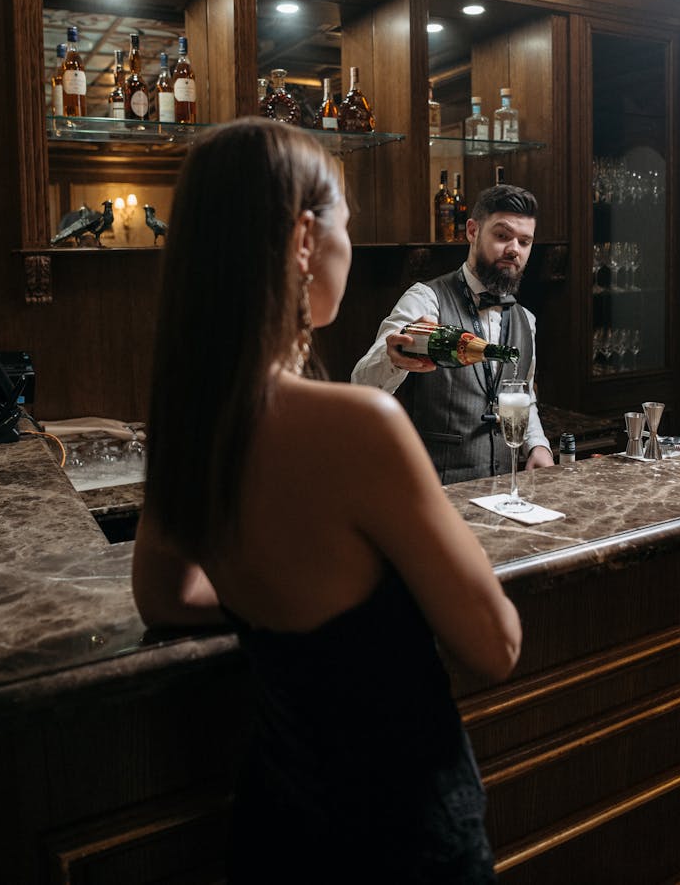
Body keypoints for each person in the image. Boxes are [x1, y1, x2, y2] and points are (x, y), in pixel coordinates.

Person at [132, 119, 522, 884]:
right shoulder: (357, 426)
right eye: (346, 213)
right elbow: (496, 644)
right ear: (306, 238)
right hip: (402, 834)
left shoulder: (190, 422)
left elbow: (163, 594)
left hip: (280, 825)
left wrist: (281, 591)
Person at [351, 184, 554, 485]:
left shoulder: (527, 320)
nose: (514, 249)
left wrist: (537, 444)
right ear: (472, 231)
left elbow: (522, 396)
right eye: (502, 235)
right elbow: (361, 384)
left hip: (502, 491)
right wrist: (393, 359)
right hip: (432, 492)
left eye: (525, 241)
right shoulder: (425, 299)